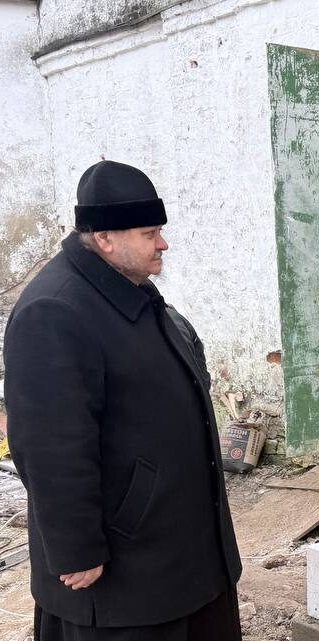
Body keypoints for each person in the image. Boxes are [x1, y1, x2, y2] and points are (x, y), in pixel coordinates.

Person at [4, 160, 243, 640]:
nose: (163, 243)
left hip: (179, 552)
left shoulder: (128, 287)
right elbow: (49, 444)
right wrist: (76, 549)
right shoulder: (54, 311)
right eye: (150, 233)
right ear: (105, 239)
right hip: (124, 574)